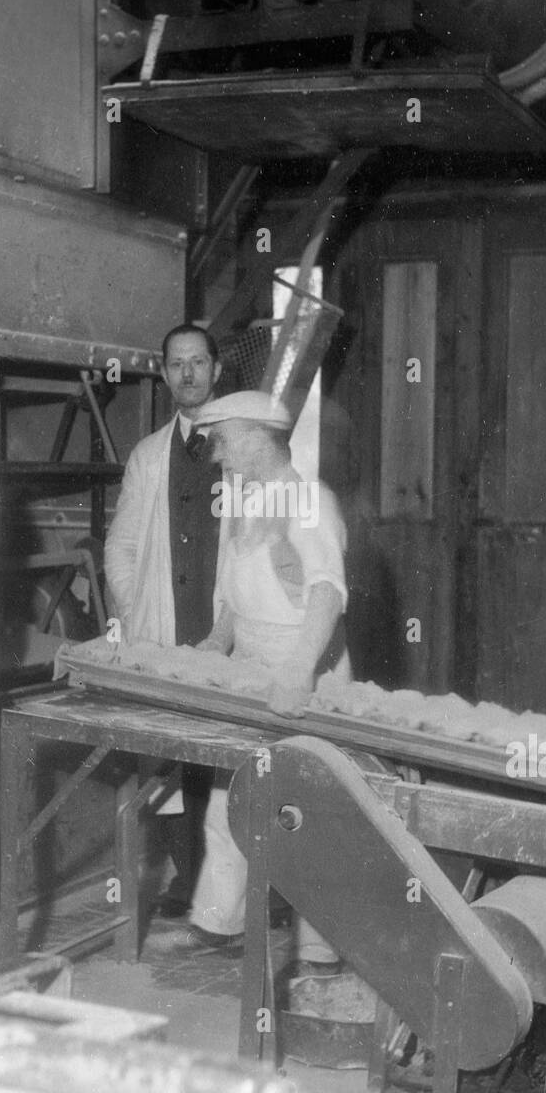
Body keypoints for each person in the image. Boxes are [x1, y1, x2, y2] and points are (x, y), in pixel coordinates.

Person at [163, 390, 350, 974]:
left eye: (221, 441)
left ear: (251, 435)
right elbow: (237, 595)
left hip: (304, 670)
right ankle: (220, 921)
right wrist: (219, 641)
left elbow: (327, 593)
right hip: (250, 667)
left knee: (308, 810)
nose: (216, 456)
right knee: (230, 795)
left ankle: (320, 947)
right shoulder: (245, 502)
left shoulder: (308, 500)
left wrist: (296, 675)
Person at [104, 324, 227, 918]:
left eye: (197, 363)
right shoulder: (149, 456)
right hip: (165, 630)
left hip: (227, 631)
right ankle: (189, 875)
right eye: (176, 364)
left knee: (228, 754)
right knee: (171, 758)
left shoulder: (242, 451)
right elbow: (120, 548)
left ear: (217, 370)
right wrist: (134, 617)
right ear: (163, 373)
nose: (187, 374)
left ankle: (232, 883)